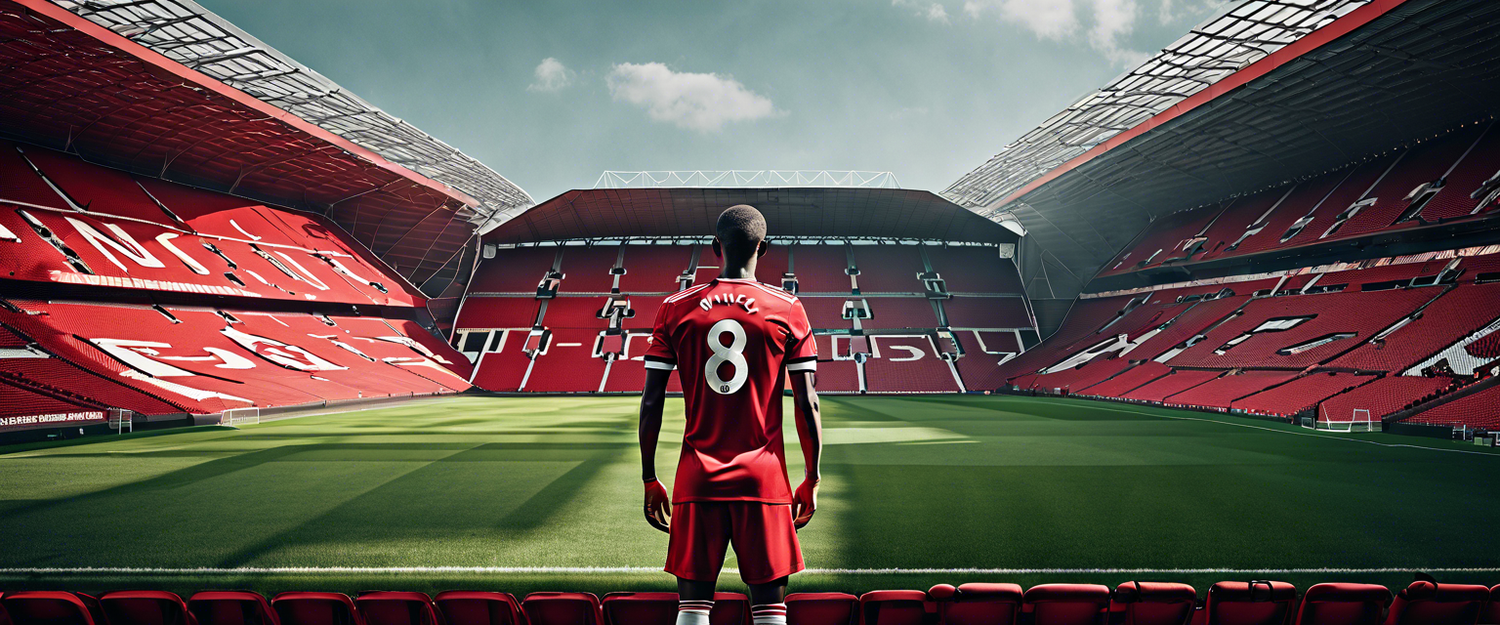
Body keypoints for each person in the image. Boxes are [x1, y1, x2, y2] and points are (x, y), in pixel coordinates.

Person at [638, 204, 823, 625]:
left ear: (714, 246)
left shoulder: (675, 307)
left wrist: (649, 476)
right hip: (764, 478)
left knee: (692, 609)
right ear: (764, 247)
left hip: (697, 474)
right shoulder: (788, 307)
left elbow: (651, 402)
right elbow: (806, 402)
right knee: (770, 611)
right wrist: (811, 477)